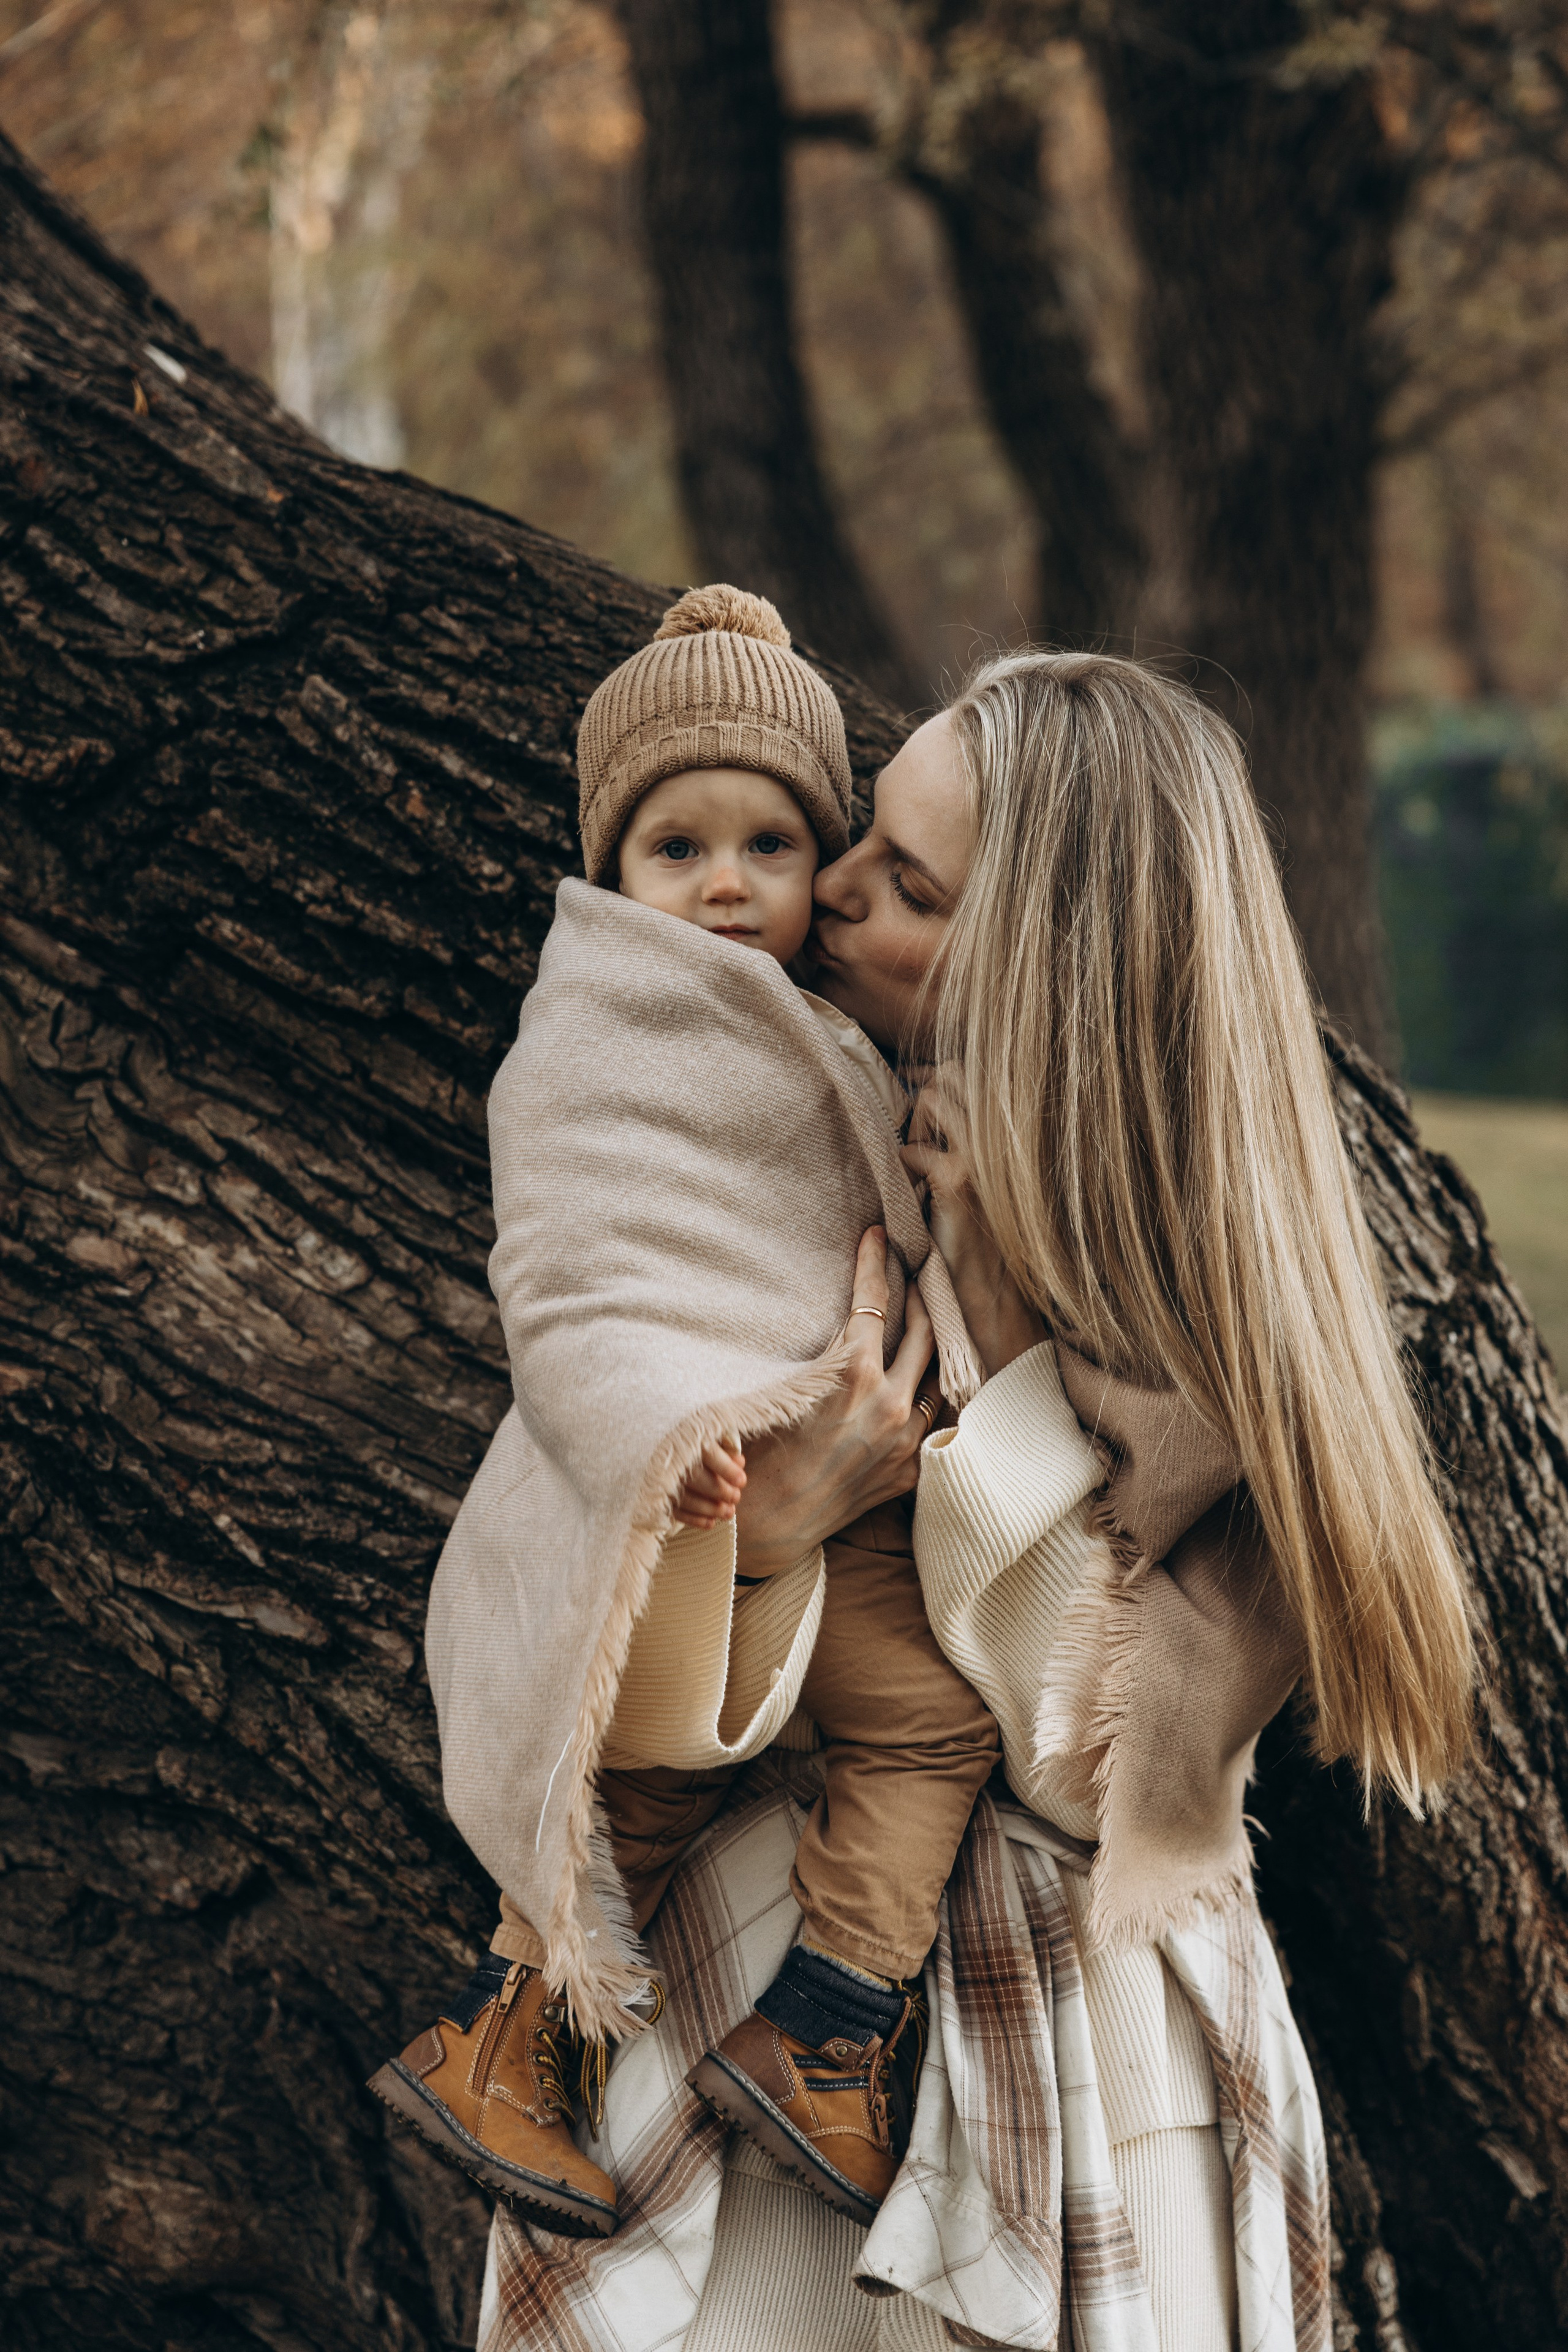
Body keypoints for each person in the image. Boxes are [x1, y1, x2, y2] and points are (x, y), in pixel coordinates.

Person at [480, 650, 1476, 2352]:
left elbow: (1091, 1768)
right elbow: (583, 1599)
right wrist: (775, 1522)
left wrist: (1012, 1387)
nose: (828, 885)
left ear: (1042, 981)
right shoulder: (781, 1148)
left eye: (910, 888)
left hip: (1074, 2052)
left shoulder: (1211, 1331)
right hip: (743, 1996)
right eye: (865, 830)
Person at [369, 585, 1006, 2241]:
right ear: (612, 870)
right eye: (678, 847)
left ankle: (831, 2024)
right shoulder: (598, 1032)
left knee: (929, 1721)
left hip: (848, 1472)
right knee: (635, 1753)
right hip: (693, 1471)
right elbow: (581, 1266)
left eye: (771, 847)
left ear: (822, 864)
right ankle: (520, 2040)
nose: (726, 885)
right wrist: (668, 1423)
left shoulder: (841, 1034)